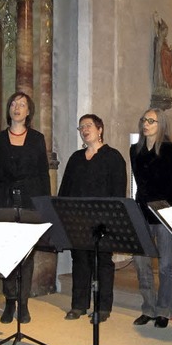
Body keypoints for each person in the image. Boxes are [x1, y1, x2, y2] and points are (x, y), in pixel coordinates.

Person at [59, 114, 127, 323]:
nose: (84, 129)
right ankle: (78, 304)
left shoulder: (113, 157)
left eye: (89, 125)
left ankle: (102, 306)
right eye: (81, 127)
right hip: (78, 220)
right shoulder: (75, 158)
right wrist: (64, 215)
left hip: (103, 221)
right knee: (79, 260)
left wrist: (112, 220)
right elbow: (65, 191)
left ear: (100, 129)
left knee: (102, 263)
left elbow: (118, 193)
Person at [0, 92, 50, 324]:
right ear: (9, 109)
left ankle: (23, 303)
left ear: (28, 111)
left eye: (22, 104)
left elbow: (43, 174)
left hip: (30, 202)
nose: (17, 107)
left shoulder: (37, 138)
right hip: (4, 201)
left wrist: (44, 208)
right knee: (7, 254)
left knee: (26, 256)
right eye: (13, 103)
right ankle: (10, 300)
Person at [130, 108, 172, 328]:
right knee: (141, 263)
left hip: (165, 211)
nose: (146, 124)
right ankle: (148, 307)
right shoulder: (135, 150)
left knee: (165, 265)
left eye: (151, 121)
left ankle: (164, 310)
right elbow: (139, 182)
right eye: (144, 120)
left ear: (161, 124)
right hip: (142, 211)